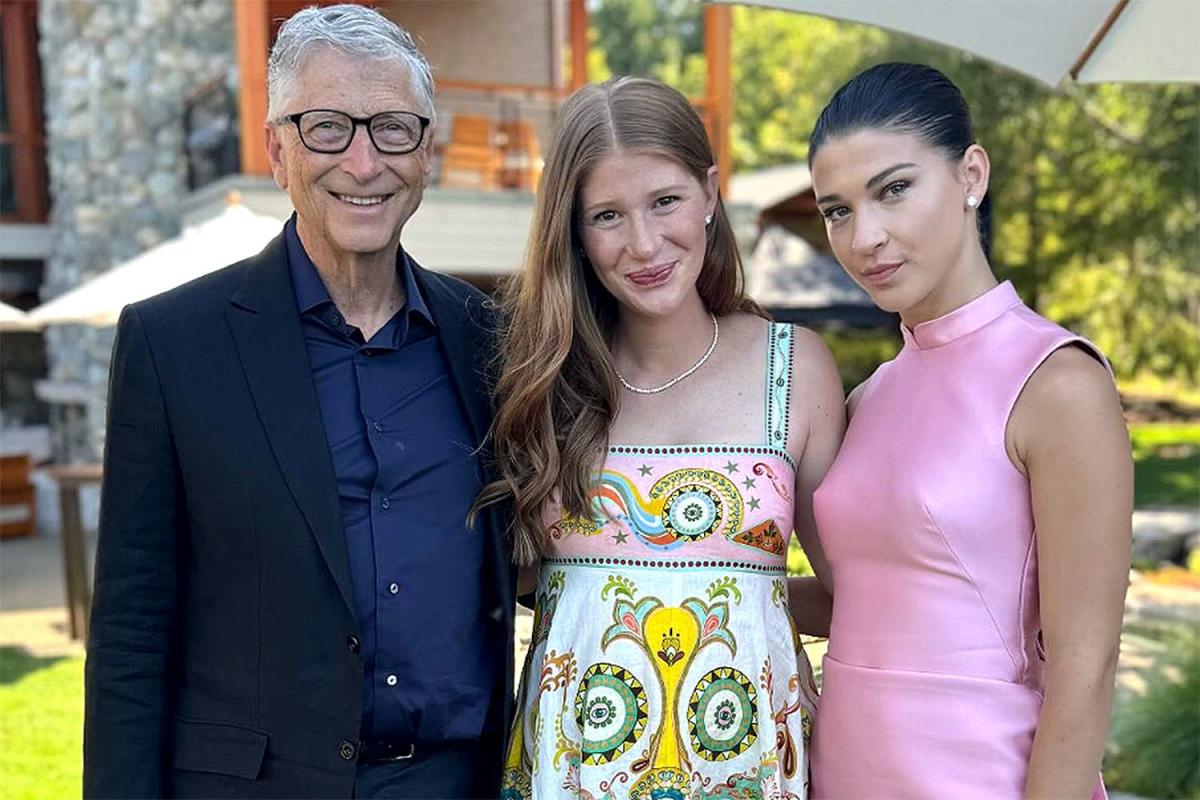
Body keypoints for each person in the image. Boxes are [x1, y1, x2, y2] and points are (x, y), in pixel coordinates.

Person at [83, 6, 514, 798]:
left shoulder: (490, 338)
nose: (362, 161)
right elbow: (131, 634)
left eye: (392, 128)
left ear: (428, 155)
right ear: (278, 151)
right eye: (326, 128)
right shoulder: (172, 344)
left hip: (457, 782)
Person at [478, 76, 844, 798]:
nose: (643, 243)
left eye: (665, 201)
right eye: (607, 216)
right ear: (574, 234)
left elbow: (852, 595)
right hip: (571, 765)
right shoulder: (540, 380)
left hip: (747, 760)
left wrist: (742, 600)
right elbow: (508, 586)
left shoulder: (794, 367)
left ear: (710, 193)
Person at [806, 63, 1132, 799]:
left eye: (894, 190)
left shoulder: (1058, 385)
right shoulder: (870, 397)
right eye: (838, 210)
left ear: (970, 175)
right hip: (843, 775)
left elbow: (1087, 664)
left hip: (980, 778)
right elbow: (869, 596)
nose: (867, 237)